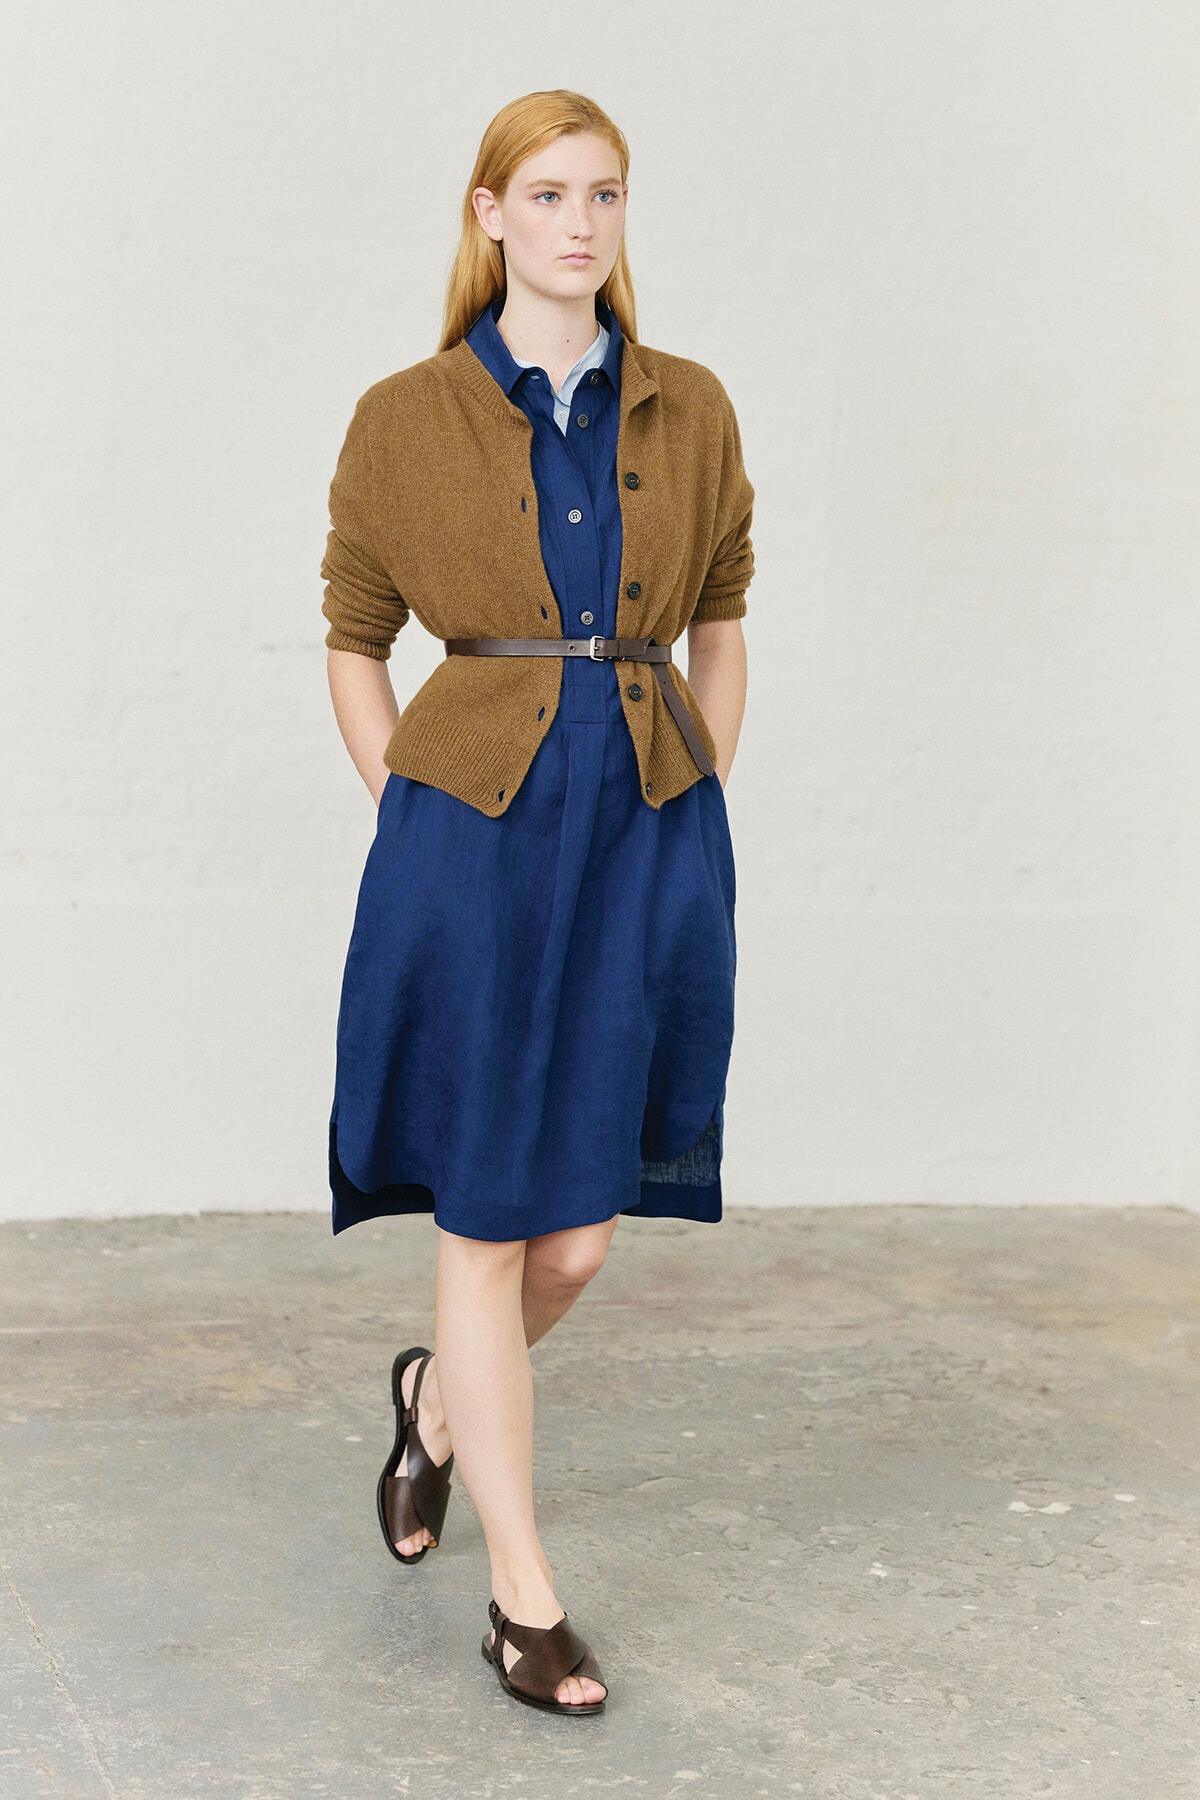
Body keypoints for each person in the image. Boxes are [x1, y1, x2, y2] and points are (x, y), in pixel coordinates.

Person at [320, 88, 754, 1715]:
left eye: (610, 195)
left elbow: (720, 612)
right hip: (472, 847)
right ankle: (524, 1594)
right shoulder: (405, 414)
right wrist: (406, 806)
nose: (584, 222)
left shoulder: (691, 410)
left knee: (574, 1237)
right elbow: (356, 632)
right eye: (552, 193)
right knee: (487, 1221)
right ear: (489, 213)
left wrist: (703, 779)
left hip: (643, 831)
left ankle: (432, 1407)